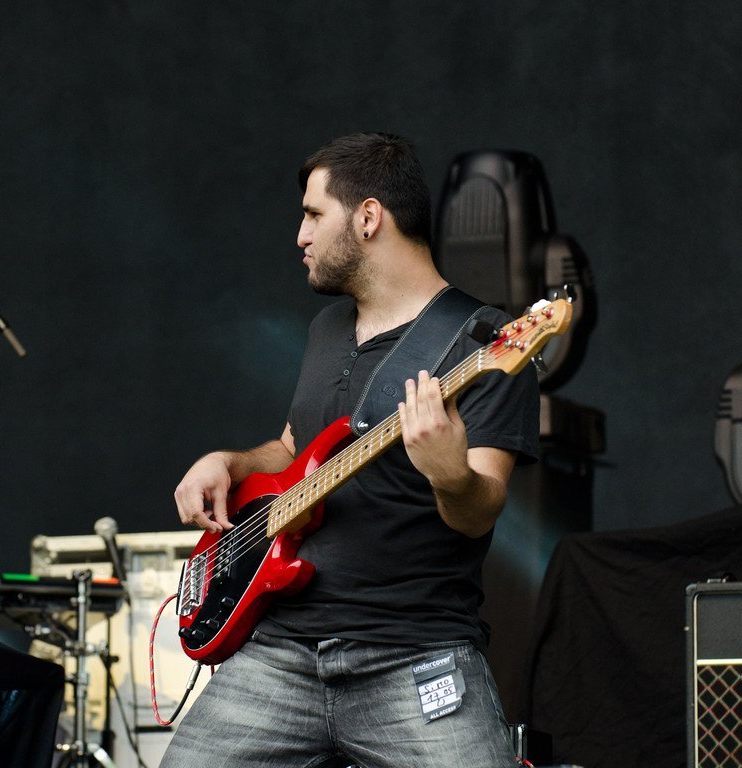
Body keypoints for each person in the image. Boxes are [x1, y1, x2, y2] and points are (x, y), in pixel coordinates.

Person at [161, 132, 539, 768]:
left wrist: (449, 475)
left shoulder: (485, 344)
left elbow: (478, 512)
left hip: (412, 654)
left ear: (368, 217)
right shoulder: (328, 327)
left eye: (313, 215)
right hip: (278, 653)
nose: (300, 236)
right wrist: (230, 462)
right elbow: (293, 447)